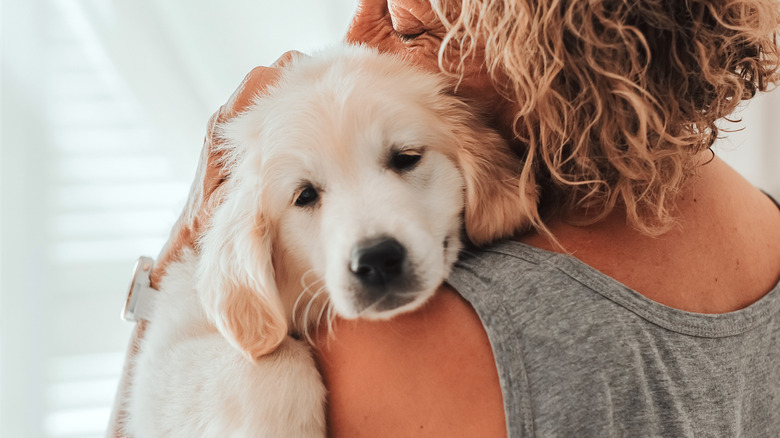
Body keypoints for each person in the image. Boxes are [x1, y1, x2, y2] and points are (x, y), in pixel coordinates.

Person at [109, 0, 780, 436]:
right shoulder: (765, 223)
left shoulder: (410, 340)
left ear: (539, 42)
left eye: (412, 26)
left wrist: (190, 234)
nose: (364, 26)